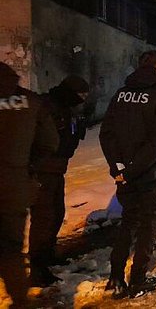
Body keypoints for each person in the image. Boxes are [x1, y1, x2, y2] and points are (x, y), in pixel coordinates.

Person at [99, 51, 156, 299]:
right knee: (148, 226)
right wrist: (135, 170)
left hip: (125, 175)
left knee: (128, 222)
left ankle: (116, 277)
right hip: (150, 173)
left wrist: (119, 169)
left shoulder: (121, 94)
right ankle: (138, 281)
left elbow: (106, 134)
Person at [0, 62, 59, 308]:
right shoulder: (31, 102)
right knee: (11, 248)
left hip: (16, 182)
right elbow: (50, 142)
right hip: (14, 185)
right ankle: (20, 299)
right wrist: (26, 166)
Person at [29, 75, 90, 287]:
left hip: (56, 170)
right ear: (70, 92)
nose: (82, 99)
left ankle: (47, 254)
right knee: (43, 217)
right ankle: (37, 267)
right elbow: (41, 141)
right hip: (43, 171)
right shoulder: (49, 107)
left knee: (57, 213)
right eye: (81, 95)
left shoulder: (65, 108)